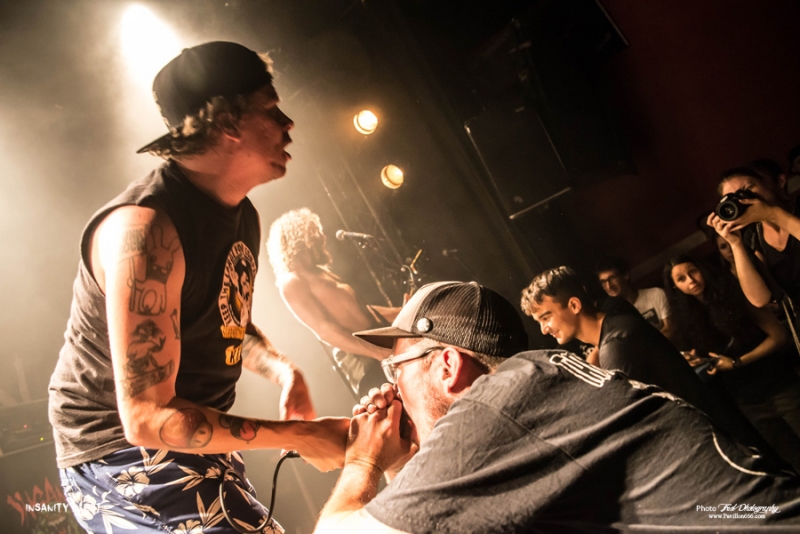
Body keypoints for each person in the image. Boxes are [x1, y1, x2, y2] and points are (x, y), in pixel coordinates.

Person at [47, 42, 349, 533]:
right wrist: (299, 434)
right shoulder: (146, 231)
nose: (288, 123)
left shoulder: (242, 215)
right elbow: (146, 416)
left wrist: (284, 371)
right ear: (228, 124)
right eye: (271, 109)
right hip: (118, 455)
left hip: (184, 436)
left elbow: (226, 321)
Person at [312, 281, 800, 533]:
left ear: (447, 365)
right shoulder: (533, 384)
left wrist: (362, 460)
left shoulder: (494, 409)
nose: (393, 388)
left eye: (395, 368)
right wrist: (399, 463)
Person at [520, 266, 779, 452]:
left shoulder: (616, 346)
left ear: (575, 305)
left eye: (546, 317)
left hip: (719, 444)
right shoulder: (615, 314)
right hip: (717, 433)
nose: (544, 329)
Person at [664, 254, 800, 471]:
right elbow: (710, 361)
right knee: (791, 458)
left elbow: (778, 336)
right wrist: (698, 361)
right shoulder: (685, 318)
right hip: (746, 400)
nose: (691, 280)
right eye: (681, 279)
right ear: (675, 287)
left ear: (702, 269)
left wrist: (738, 362)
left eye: (693, 271)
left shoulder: (733, 294)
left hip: (779, 384)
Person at [267, 208, 400, 398]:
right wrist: (378, 353)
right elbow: (324, 330)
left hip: (383, 344)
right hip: (365, 360)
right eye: (316, 232)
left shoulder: (321, 272)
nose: (322, 237)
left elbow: (364, 311)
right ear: (299, 237)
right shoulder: (291, 281)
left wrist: (402, 311)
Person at [707, 166, 800, 327]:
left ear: (766, 183)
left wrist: (772, 213)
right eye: (733, 198)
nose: (744, 199)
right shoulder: (753, 237)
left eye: (748, 188)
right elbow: (760, 299)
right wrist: (735, 244)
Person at [595, 257, 674, 339]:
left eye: (612, 278)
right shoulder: (608, 314)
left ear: (626, 275)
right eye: (603, 282)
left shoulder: (656, 294)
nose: (608, 286)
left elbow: (670, 329)